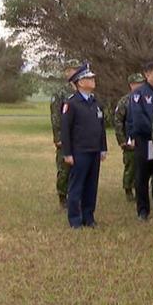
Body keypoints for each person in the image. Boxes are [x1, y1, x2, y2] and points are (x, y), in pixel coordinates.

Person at [60, 63, 108, 228]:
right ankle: (75, 219)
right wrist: (67, 153)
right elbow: (65, 130)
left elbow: (101, 128)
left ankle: (89, 217)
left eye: (92, 77)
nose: (92, 80)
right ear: (80, 82)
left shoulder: (96, 102)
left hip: (94, 150)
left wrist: (103, 148)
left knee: (91, 187)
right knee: (77, 186)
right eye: (88, 78)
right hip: (79, 151)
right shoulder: (71, 103)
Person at [128, 62, 153, 221]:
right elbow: (139, 119)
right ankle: (143, 210)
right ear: (147, 75)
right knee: (142, 176)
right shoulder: (139, 94)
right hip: (145, 140)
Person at [50, 60, 80, 209]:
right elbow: (56, 116)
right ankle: (62, 196)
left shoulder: (82, 90)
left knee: (78, 168)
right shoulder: (61, 92)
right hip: (65, 136)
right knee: (64, 169)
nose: (74, 72)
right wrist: (58, 137)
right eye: (72, 70)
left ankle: (75, 195)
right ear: (66, 72)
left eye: (77, 70)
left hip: (79, 137)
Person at [113, 73, 145, 201]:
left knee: (143, 167)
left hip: (143, 140)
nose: (140, 86)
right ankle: (128, 189)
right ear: (131, 85)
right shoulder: (124, 101)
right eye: (138, 83)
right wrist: (122, 141)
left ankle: (140, 189)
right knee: (131, 166)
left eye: (142, 83)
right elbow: (118, 121)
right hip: (129, 140)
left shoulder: (146, 99)